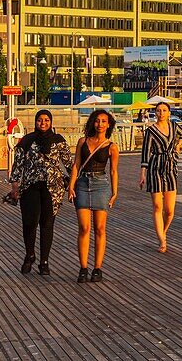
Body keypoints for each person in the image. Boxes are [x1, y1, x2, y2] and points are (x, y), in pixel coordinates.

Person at [8, 110, 73, 276]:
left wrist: (74, 183)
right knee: (29, 223)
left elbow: (69, 164)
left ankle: (44, 261)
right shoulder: (27, 141)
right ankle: (30, 255)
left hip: (52, 188)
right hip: (31, 186)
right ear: (35, 122)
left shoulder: (58, 141)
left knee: (47, 224)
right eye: (39, 120)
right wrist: (15, 186)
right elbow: (18, 165)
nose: (43, 123)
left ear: (51, 122)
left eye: (46, 120)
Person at [67, 109, 119, 283]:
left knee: (100, 228)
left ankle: (97, 268)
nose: (100, 124)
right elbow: (76, 165)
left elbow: (113, 171)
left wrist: (114, 192)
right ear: (92, 122)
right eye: (97, 121)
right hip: (82, 184)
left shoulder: (111, 146)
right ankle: (83, 267)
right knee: (84, 228)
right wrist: (71, 185)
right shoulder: (83, 142)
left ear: (109, 124)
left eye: (104, 121)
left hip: (101, 185)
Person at [139, 101, 180, 252]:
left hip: (170, 168)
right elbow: (145, 153)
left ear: (169, 112)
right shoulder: (150, 131)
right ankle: (162, 240)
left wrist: (178, 145)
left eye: (164, 110)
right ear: (155, 113)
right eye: (158, 110)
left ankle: (163, 231)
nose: (161, 113)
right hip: (155, 168)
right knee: (157, 206)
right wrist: (142, 173)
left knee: (170, 210)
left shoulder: (174, 126)